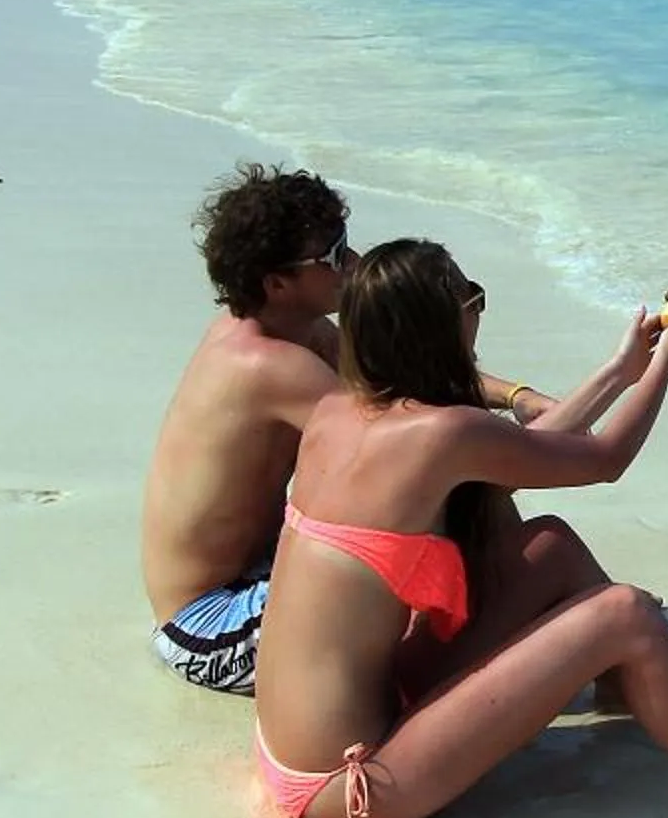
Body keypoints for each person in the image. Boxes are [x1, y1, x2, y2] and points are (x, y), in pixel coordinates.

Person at [251, 240, 668, 818]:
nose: (477, 310)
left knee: (550, 544)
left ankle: (639, 694)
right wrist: (664, 368)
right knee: (625, 612)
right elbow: (602, 459)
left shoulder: (343, 410)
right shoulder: (442, 433)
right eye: (471, 299)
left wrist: (619, 370)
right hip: (355, 782)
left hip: (315, 733)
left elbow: (531, 451)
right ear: (439, 327)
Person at [143, 164, 572, 693]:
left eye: (345, 242)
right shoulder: (268, 365)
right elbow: (411, 444)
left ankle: (505, 606)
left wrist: (517, 396)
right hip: (212, 625)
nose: (352, 260)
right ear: (277, 282)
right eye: (332, 255)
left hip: (259, 576)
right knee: (450, 490)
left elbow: (395, 378)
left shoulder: (292, 329)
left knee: (452, 497)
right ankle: (479, 643)